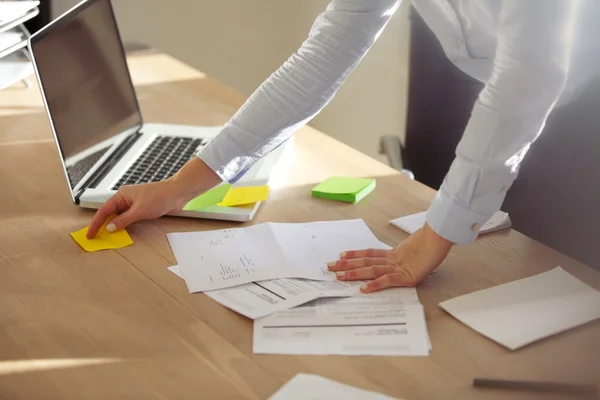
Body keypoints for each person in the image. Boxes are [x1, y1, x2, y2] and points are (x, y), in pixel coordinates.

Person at [87, 0, 596, 292]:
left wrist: (436, 235)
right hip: (506, 111)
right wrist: (183, 185)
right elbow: (324, 55)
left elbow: (530, 79)